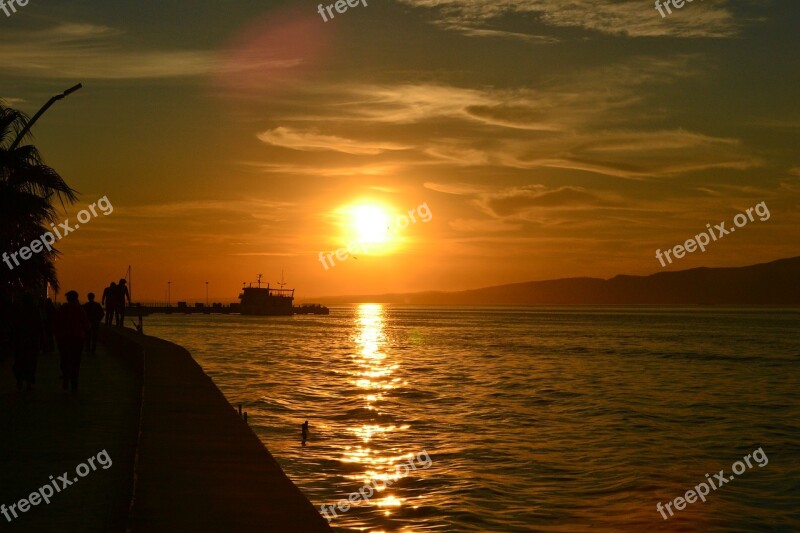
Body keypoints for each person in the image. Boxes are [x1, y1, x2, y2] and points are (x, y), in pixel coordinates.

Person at [53, 291, 89, 392]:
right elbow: (85, 324)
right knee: (76, 361)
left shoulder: (62, 309)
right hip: (77, 338)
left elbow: (56, 323)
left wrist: (57, 335)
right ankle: (74, 382)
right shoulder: (80, 309)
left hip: (64, 338)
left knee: (64, 359)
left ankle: (65, 377)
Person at [11, 293, 41, 391]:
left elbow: (13, 325)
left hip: (19, 340)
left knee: (20, 361)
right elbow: (39, 326)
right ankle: (28, 383)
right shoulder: (35, 311)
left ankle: (19, 380)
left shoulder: (18, 311)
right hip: (32, 340)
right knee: (31, 362)